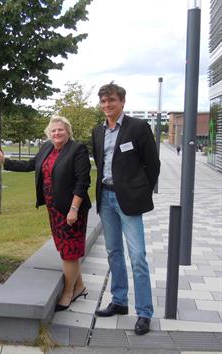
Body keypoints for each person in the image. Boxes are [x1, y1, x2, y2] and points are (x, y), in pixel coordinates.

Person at [0, 115, 91, 312]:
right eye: (54, 130)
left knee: (69, 252)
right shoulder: (46, 148)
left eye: (61, 130)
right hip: (54, 209)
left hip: (71, 210)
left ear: (68, 131)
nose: (57, 133)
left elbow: (83, 182)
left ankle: (68, 293)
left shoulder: (77, 150)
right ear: (49, 133)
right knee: (66, 251)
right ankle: (80, 286)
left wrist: (73, 209)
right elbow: (29, 166)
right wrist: (5, 161)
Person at [92, 82, 160, 335]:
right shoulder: (97, 131)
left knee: (138, 256)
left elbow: (153, 164)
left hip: (128, 201)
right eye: (103, 101)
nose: (107, 105)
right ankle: (119, 301)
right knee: (113, 252)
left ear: (122, 102)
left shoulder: (138, 127)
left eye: (111, 100)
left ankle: (144, 312)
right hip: (106, 198)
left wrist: (141, 190)